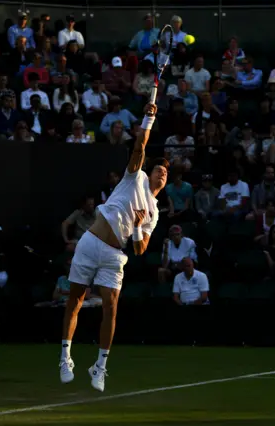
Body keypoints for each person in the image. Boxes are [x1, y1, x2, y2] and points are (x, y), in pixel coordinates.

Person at [59, 103, 169, 391]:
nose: (160, 174)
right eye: (158, 169)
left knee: (111, 307)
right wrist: (148, 117)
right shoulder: (137, 176)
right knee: (76, 300)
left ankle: (100, 366)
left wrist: (135, 228)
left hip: (114, 255)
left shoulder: (154, 212)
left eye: (165, 174)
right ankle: (65, 356)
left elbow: (142, 249)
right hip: (90, 242)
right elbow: (140, 147)